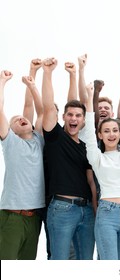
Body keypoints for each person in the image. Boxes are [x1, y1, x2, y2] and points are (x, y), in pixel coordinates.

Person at [41, 57, 97, 260]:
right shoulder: (55, 137)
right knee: (60, 262)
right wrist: (48, 73)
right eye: (70, 115)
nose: (74, 118)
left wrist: (74, 74)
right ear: (63, 117)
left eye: (78, 115)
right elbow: (48, 107)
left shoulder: (86, 147)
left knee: (85, 263)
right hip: (62, 208)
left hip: (87, 211)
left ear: (83, 120)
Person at [83, 83, 120, 260]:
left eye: (115, 130)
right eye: (106, 131)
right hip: (107, 213)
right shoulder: (97, 158)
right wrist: (91, 98)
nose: (111, 134)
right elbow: (89, 129)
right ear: (100, 135)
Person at [0, 69, 45, 260]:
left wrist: (32, 80)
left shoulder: (39, 140)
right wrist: (2, 81)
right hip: (12, 216)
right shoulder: (10, 142)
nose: (21, 118)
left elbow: (38, 109)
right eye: (14, 120)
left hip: (34, 218)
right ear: (10, 130)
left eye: (23, 117)